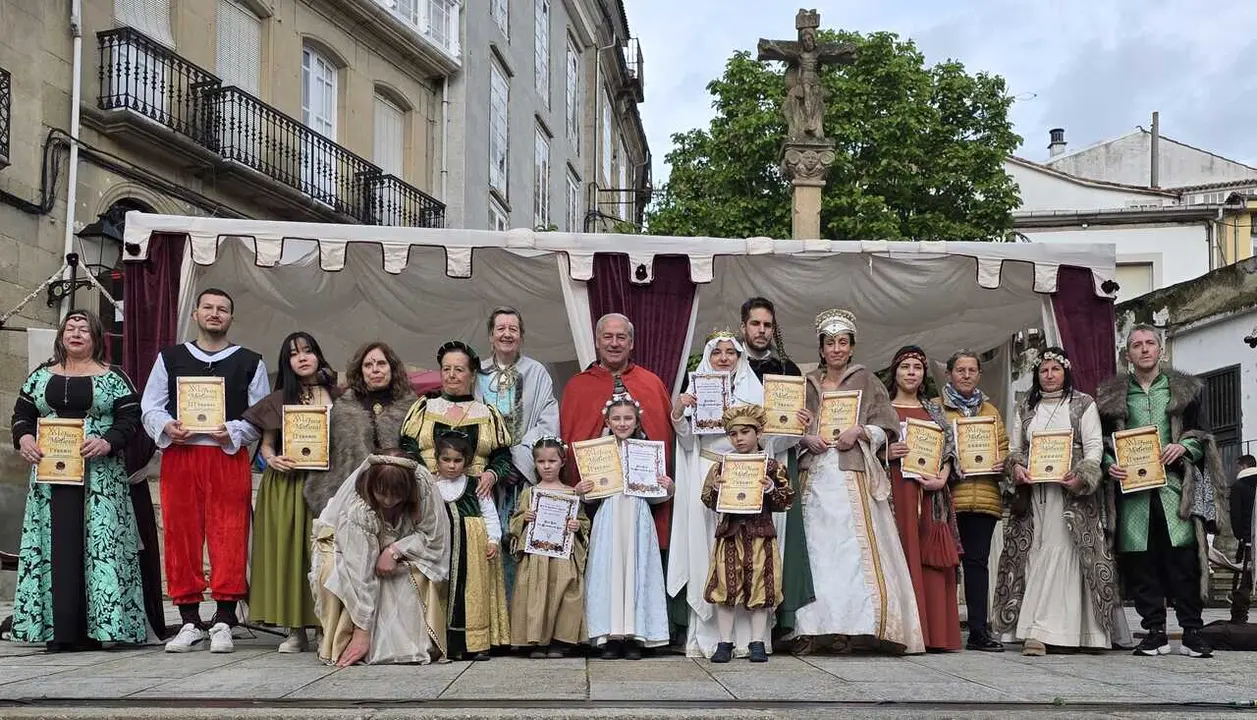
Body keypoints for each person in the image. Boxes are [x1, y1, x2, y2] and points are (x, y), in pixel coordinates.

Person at [140, 289, 269, 653]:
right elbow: (151, 406)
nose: (215, 313)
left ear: (231, 317)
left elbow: (259, 416)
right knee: (180, 535)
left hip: (226, 457)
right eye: (208, 307)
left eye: (222, 309)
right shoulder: (171, 358)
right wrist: (166, 426)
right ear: (195, 314)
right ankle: (189, 620)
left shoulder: (250, 362)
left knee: (230, 534)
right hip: (181, 456)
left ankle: (224, 619)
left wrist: (234, 430)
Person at [10, 310, 146, 650]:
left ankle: (102, 629)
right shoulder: (41, 375)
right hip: (50, 480)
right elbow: (22, 415)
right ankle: (59, 630)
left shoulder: (114, 377)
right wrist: (25, 438)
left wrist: (108, 441)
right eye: (69, 328)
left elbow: (131, 419)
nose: (76, 333)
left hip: (99, 479)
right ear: (61, 336)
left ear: (96, 337)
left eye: (84, 329)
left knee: (99, 548)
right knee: (55, 547)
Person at [792, 309, 924, 655]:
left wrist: (861, 431)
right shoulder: (807, 384)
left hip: (851, 475)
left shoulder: (867, 380)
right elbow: (788, 427)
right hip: (814, 477)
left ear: (851, 347)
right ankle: (812, 628)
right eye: (830, 343)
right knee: (815, 553)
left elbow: (888, 425)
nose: (836, 349)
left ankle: (851, 628)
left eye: (842, 343)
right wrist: (805, 437)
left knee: (850, 554)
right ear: (821, 349)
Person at [669, 329, 808, 658]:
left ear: (739, 357)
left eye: (730, 352)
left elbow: (773, 440)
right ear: (709, 357)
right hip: (711, 472)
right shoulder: (696, 389)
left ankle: (752, 640)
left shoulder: (756, 391)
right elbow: (687, 442)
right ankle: (715, 637)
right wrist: (679, 412)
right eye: (717, 353)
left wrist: (795, 425)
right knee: (712, 555)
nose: (723, 358)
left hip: (750, 476)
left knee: (755, 561)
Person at [1098, 325, 1227, 659]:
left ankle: (1192, 632)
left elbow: (1202, 434)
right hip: (1133, 493)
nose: (1144, 349)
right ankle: (1154, 632)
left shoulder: (1185, 391)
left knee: (1183, 560)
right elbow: (1101, 444)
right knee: (1142, 562)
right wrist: (1109, 465)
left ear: (1161, 350)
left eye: (1149, 343)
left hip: (1175, 489)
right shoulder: (1111, 397)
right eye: (1136, 345)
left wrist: (1183, 447)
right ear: (1128, 354)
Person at [992, 347, 1117, 655]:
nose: (1049, 375)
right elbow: (1015, 447)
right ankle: (1035, 627)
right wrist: (1016, 467)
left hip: (1070, 495)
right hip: (1034, 495)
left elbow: (1094, 447)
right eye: (1044, 370)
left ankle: (1047, 631)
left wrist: (1083, 476)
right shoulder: (1027, 406)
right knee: (1034, 554)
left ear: (1066, 372)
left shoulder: (1083, 404)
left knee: (1063, 552)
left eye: (1055, 369)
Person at [242, 332, 342, 653]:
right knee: (290, 554)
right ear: (287, 362)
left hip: (327, 482)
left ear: (318, 355)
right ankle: (295, 629)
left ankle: (326, 625)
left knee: (324, 553)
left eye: (308, 351)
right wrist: (272, 459)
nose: (302, 357)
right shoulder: (279, 399)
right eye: (294, 353)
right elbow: (267, 446)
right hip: (287, 484)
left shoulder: (339, 396)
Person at [310, 450, 450, 666]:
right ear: (371, 486)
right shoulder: (358, 507)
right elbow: (359, 571)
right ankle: (345, 637)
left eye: (397, 495)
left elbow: (433, 537)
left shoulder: (423, 485)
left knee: (411, 573)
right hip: (344, 546)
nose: (388, 501)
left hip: (398, 545)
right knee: (334, 572)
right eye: (382, 493)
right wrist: (363, 631)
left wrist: (395, 550)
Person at [560, 313, 674, 550]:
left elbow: (663, 438)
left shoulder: (651, 384)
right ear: (597, 341)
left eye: (621, 337)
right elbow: (570, 442)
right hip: (597, 503)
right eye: (608, 337)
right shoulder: (577, 386)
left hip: (642, 505)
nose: (614, 343)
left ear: (631, 343)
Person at [738, 297, 815, 641]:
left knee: (778, 538)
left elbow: (794, 426)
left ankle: (777, 619)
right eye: (755, 324)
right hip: (740, 463)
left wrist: (801, 423)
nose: (761, 330)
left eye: (767, 325)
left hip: (779, 460)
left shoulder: (788, 370)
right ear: (744, 326)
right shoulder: (728, 362)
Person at [581, 392, 674, 658]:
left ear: (636, 421)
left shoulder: (646, 451)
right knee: (609, 570)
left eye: (628, 418)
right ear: (608, 421)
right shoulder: (598, 452)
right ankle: (610, 636)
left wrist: (668, 487)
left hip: (637, 515)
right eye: (617, 418)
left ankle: (635, 635)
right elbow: (591, 496)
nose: (622, 423)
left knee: (637, 569)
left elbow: (657, 496)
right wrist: (582, 490)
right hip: (609, 515)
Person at [476, 307, 561, 600]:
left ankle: (522, 616)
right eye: (500, 328)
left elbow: (547, 421)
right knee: (488, 543)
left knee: (522, 543)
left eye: (513, 329)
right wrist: (495, 465)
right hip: (486, 477)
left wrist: (518, 461)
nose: (507, 334)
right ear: (491, 336)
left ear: (521, 336)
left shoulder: (537, 372)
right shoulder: (478, 373)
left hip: (523, 476)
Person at [701, 404, 794, 663]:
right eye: (733, 434)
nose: (739, 438)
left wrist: (770, 489)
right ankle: (724, 642)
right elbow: (707, 499)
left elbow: (786, 501)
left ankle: (757, 642)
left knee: (761, 587)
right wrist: (716, 489)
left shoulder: (771, 467)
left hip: (761, 534)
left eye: (745, 432)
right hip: (730, 534)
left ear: (758, 433)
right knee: (726, 587)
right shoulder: (721, 467)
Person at [885, 345, 963, 653]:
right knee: (898, 554)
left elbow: (950, 449)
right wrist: (886, 452)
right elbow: (869, 447)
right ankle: (903, 632)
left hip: (930, 495)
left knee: (930, 559)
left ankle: (935, 634)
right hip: (895, 492)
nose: (911, 373)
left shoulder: (934, 411)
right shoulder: (883, 410)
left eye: (917, 368)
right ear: (895, 372)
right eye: (905, 367)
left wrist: (942, 476)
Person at [934, 350, 1008, 652]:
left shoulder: (990, 411)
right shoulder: (936, 408)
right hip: (947, 498)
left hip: (984, 498)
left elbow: (1003, 446)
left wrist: (1003, 462)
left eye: (971, 370)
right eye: (960, 370)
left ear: (979, 374)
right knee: (944, 566)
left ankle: (979, 630)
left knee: (977, 565)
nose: (966, 375)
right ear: (949, 374)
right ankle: (942, 630)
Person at [431, 430, 510, 660]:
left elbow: (490, 513)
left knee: (471, 592)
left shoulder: (475, 484)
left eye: (457, 460)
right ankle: (447, 644)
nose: (452, 465)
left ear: (466, 462)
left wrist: (493, 539)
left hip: (472, 547)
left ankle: (475, 644)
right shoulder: (432, 486)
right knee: (445, 592)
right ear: (437, 460)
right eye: (446, 460)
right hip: (444, 546)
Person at [508, 436, 589, 657]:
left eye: (552, 461)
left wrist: (576, 526)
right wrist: (524, 518)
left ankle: (559, 640)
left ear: (562, 462)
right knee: (536, 596)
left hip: (563, 556)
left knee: (563, 594)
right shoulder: (530, 493)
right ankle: (536, 640)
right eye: (541, 461)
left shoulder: (571, 493)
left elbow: (584, 523)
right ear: (535, 464)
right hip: (536, 557)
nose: (547, 466)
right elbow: (514, 523)